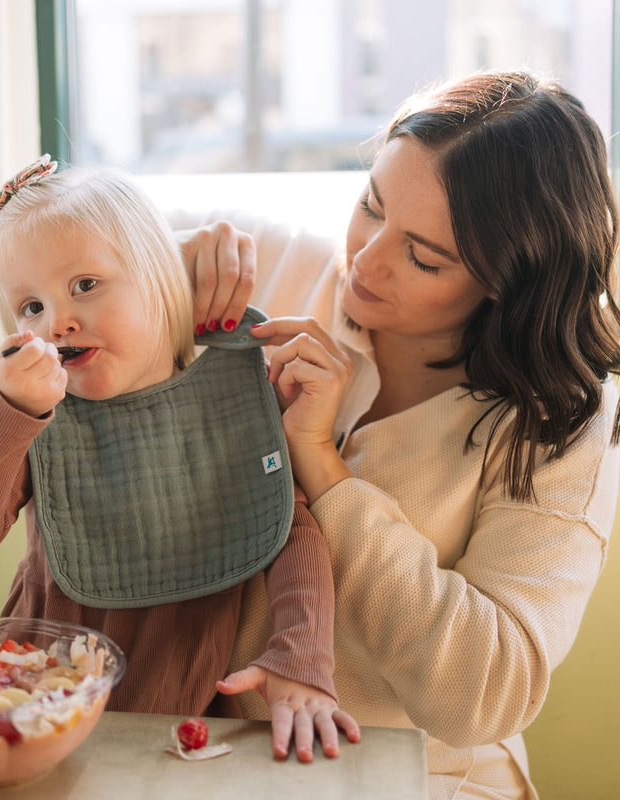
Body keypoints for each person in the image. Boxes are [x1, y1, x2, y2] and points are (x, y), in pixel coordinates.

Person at [177, 70, 620, 799]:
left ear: (509, 281)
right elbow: (40, 264)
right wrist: (143, 273)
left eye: (423, 256)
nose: (367, 260)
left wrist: (325, 469)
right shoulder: (289, 269)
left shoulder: (563, 418)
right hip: (219, 758)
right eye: (370, 205)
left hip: (422, 778)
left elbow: (486, 693)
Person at [0, 159, 359, 762]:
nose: (57, 321)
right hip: (28, 703)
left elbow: (288, 532)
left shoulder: (231, 392)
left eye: (85, 285)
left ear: (161, 281)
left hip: (177, 728)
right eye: (29, 307)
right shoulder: (33, 417)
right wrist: (6, 411)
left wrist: (299, 655)